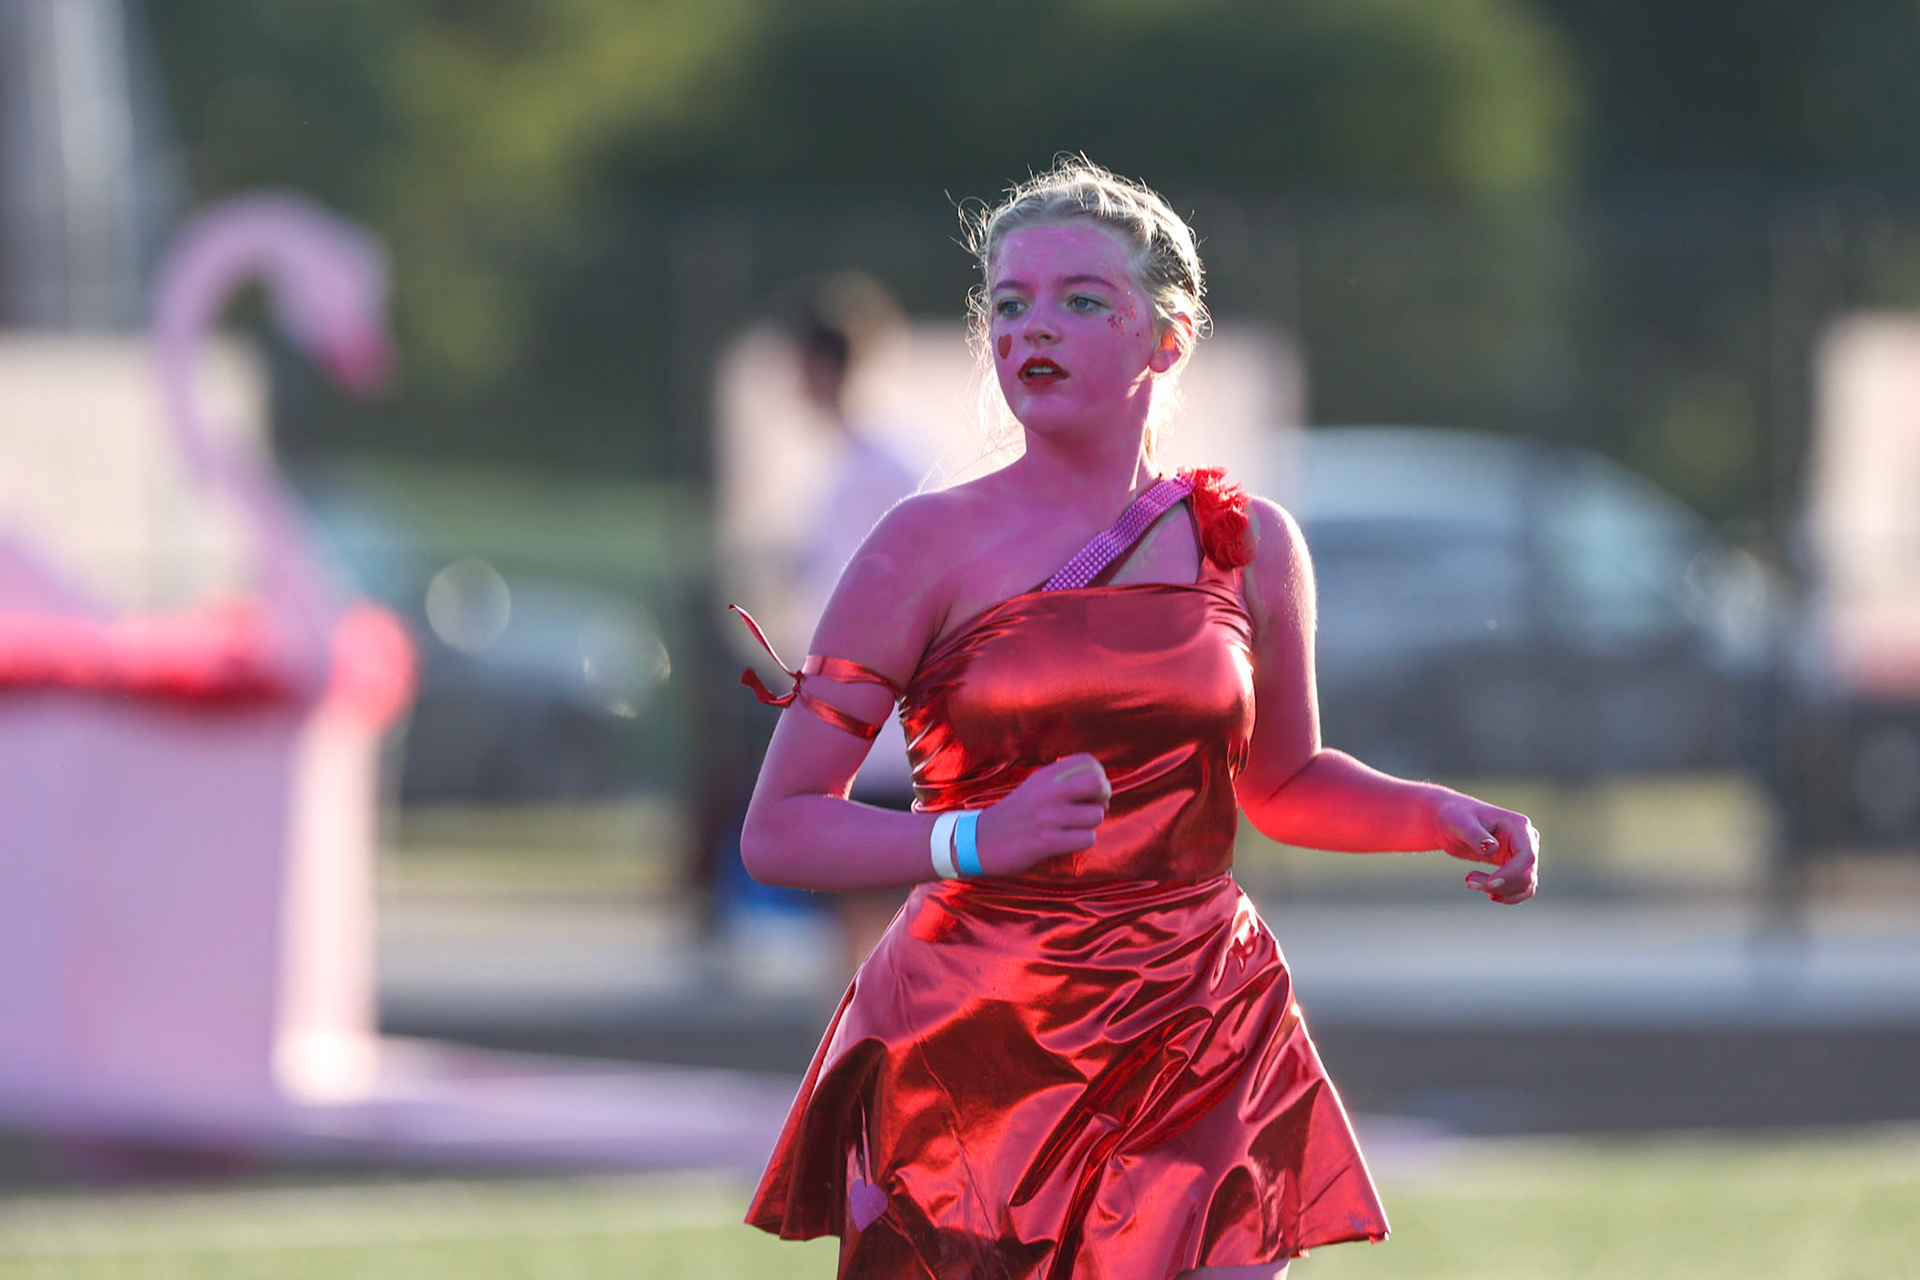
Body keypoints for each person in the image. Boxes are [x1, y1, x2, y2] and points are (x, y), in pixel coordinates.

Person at [732, 158, 1540, 1279]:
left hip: (1202, 1016)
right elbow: (778, 827)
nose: (1032, 327)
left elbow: (1283, 784)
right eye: (1009, 303)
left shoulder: (1250, 544)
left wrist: (1435, 814)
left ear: (1169, 336)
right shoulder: (920, 544)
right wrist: (973, 838)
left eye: (1080, 300)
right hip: (980, 1033)